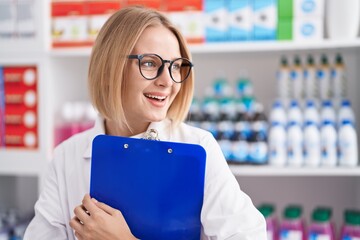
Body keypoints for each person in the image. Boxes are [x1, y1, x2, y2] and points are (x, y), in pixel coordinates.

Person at [24, 6, 266, 240]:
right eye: (150, 63)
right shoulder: (68, 156)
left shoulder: (197, 149)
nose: (167, 82)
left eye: (175, 67)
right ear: (110, 69)